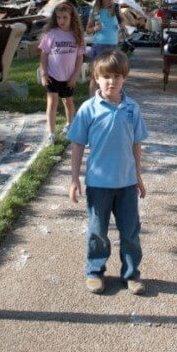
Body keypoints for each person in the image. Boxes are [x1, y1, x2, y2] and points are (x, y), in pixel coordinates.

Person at [67, 50, 148, 295]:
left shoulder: (132, 109)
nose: (112, 81)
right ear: (96, 78)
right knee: (97, 231)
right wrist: (74, 179)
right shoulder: (88, 109)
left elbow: (136, 144)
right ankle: (94, 271)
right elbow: (78, 145)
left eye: (117, 76)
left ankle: (131, 274)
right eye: (106, 76)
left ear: (125, 78)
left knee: (130, 232)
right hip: (99, 184)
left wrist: (139, 177)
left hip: (126, 184)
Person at [39, 2, 86, 144]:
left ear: (72, 17)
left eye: (65, 17)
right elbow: (44, 55)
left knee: (68, 101)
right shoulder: (51, 34)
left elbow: (80, 57)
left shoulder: (77, 35)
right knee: (52, 103)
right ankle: (52, 133)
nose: (61, 21)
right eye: (58, 18)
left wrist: (76, 75)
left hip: (69, 77)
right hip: (52, 75)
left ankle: (69, 125)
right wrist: (44, 73)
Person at [86, 0, 125, 95]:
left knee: (113, 75)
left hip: (113, 46)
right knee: (95, 76)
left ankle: (111, 98)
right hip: (99, 46)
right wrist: (95, 28)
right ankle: (92, 102)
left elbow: (123, 21)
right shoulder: (95, 11)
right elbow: (88, 30)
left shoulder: (116, 8)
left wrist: (122, 25)